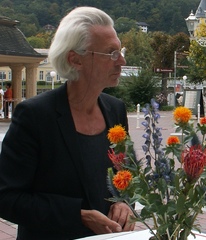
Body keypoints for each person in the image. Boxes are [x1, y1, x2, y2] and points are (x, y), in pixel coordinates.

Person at [0, 7, 135, 240]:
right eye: (111, 53)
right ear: (75, 59)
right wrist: (78, 215)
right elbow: (7, 198)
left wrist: (124, 201)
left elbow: (125, 174)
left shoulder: (115, 109)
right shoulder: (35, 116)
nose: (121, 61)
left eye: (120, 51)